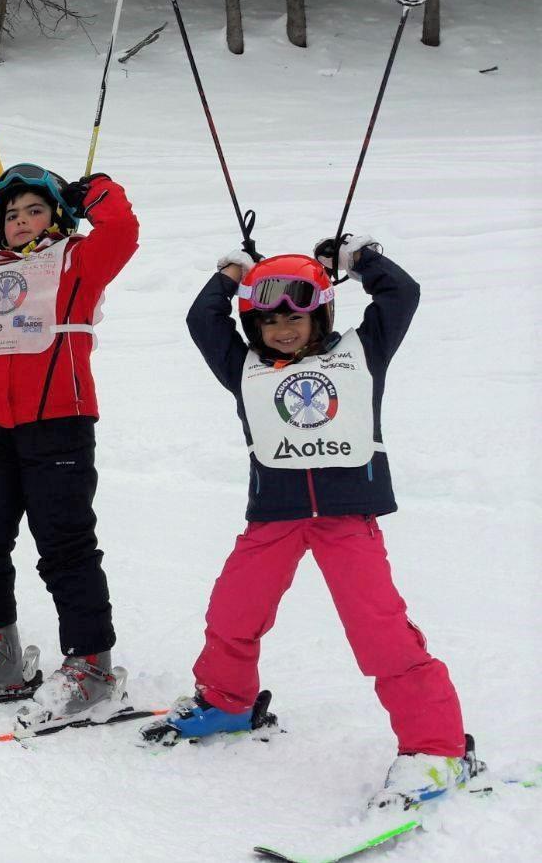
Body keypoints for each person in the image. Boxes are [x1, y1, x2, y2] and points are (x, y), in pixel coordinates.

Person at [143, 235, 479, 811]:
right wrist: (231, 275)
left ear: (321, 314)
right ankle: (226, 702)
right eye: (269, 319)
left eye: (296, 316)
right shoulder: (244, 366)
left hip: (347, 520)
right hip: (275, 517)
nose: (283, 329)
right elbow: (203, 321)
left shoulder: (363, 353)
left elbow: (401, 294)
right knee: (232, 612)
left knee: (380, 632)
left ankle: (436, 749)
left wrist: (357, 259)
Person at [0, 165, 139, 731]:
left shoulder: (77, 262)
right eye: (11, 214)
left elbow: (121, 232)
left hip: (61, 424)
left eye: (34, 210)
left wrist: (93, 193)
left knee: (65, 547)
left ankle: (91, 667)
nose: (20, 221)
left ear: (57, 217)